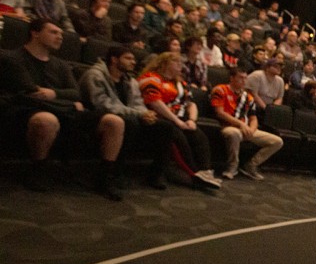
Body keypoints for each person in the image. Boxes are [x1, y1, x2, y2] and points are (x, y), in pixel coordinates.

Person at [0, 18, 126, 198]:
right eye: (53, 32)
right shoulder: (13, 58)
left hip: (63, 110)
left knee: (114, 122)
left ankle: (104, 178)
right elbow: (28, 93)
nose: (60, 37)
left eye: (61, 33)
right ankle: (37, 171)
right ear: (35, 33)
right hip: (26, 109)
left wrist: (53, 94)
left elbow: (76, 94)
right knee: (46, 120)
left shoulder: (60, 64)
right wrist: (67, 101)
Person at [79, 45, 173, 190]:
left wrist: (146, 114)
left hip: (129, 117)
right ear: (114, 60)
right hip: (97, 116)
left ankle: (156, 174)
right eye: (128, 58)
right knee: (130, 122)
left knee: (164, 126)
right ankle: (116, 172)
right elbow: (102, 104)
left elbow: (138, 103)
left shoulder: (131, 81)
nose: (133, 62)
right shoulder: (95, 75)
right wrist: (139, 114)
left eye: (134, 59)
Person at [138, 52, 221, 190]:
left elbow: (191, 104)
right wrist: (177, 121)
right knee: (178, 136)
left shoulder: (180, 83)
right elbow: (155, 103)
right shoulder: (151, 78)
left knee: (199, 136)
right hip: (158, 119)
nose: (180, 66)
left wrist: (192, 120)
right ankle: (194, 173)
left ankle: (206, 171)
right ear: (164, 63)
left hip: (180, 118)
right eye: (176, 62)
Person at [211, 67, 284, 181]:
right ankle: (232, 166)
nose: (244, 81)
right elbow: (219, 113)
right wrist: (241, 125)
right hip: (227, 126)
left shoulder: (248, 97)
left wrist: (251, 129)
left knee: (277, 141)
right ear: (232, 78)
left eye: (245, 78)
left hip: (246, 128)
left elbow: (253, 118)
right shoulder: (220, 90)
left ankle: (251, 165)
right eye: (240, 78)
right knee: (234, 133)